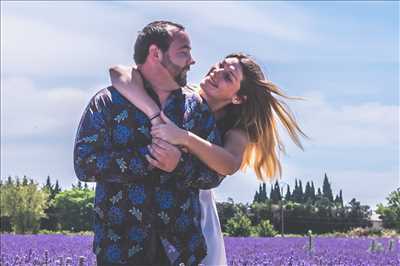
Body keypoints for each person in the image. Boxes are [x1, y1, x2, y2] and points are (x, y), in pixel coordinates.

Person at [110, 52, 308, 265]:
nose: (216, 72)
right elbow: (118, 73)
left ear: (238, 98)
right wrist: (154, 113)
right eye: (220, 65)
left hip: (195, 218)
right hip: (145, 210)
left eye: (228, 77)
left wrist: (184, 137)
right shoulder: (179, 94)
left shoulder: (234, 129)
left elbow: (230, 163)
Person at [74, 21, 226, 266]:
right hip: (120, 249)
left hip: (182, 251)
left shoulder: (196, 108)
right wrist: (147, 158)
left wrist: (179, 164)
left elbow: (214, 175)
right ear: (155, 53)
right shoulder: (107, 103)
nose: (192, 60)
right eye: (183, 52)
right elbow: (84, 163)